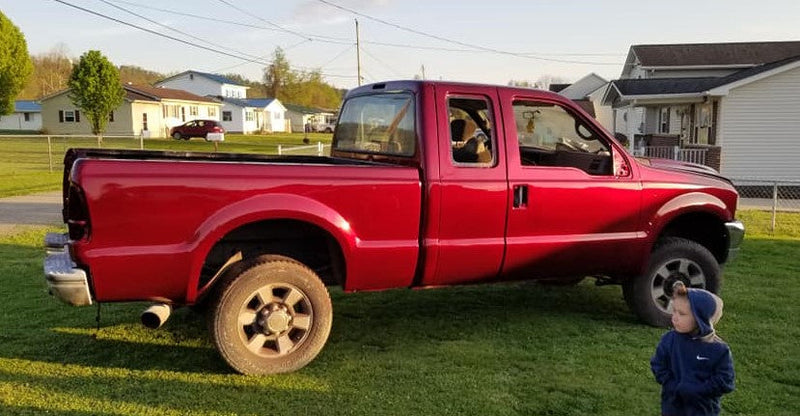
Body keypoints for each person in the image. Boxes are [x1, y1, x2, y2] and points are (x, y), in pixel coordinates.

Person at [651, 282, 735, 416]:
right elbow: (658, 364)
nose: (675, 317)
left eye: (682, 314)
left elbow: (725, 381)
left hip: (703, 410)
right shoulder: (669, 340)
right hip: (672, 407)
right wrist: (671, 384)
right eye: (674, 311)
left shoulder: (718, 350)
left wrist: (698, 390)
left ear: (700, 318)